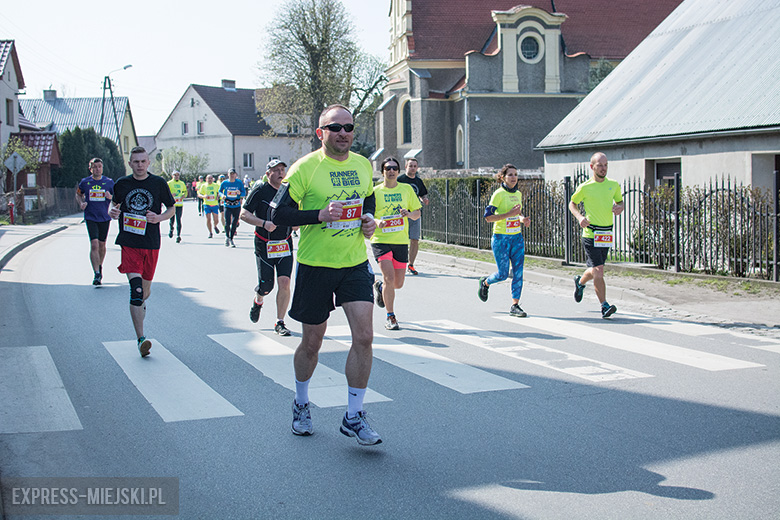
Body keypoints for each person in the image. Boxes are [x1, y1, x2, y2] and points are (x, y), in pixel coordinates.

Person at [270, 104, 381, 446]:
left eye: (349, 127)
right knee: (312, 343)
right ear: (321, 133)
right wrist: (318, 214)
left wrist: (369, 221)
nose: (344, 133)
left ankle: (353, 416)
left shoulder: (363, 165)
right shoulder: (305, 169)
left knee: (364, 337)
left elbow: (368, 200)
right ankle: (301, 402)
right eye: (336, 127)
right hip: (316, 266)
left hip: (353, 264)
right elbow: (277, 212)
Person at [108, 147, 175, 357]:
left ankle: (141, 306)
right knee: (136, 291)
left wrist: (159, 218)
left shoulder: (158, 183)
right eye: (135, 161)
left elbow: (171, 208)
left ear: (148, 163)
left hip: (151, 243)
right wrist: (112, 211)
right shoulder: (122, 184)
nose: (139, 165)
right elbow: (114, 205)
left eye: (142, 161)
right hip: (129, 243)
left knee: (145, 293)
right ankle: (141, 339)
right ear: (130, 164)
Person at [240, 159, 293, 336]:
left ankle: (280, 322)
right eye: (276, 170)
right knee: (266, 286)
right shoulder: (260, 190)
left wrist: (297, 224)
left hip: (285, 243)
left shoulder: (289, 191)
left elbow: (297, 213)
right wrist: (263, 223)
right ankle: (258, 300)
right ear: (268, 173)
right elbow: (244, 214)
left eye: (282, 170)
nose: (280, 173)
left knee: (284, 282)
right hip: (264, 243)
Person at [568, 152, 624, 319]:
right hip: (590, 233)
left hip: (606, 233)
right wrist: (579, 217)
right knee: (599, 270)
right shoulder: (585, 187)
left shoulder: (613, 185)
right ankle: (604, 306)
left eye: (606, 165)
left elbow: (619, 201)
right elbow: (572, 203)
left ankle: (580, 282)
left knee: (595, 269)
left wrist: (620, 207)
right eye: (600, 165)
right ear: (592, 167)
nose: (603, 168)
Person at [371, 156, 421, 330]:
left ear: (398, 171)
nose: (391, 171)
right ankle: (390, 317)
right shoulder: (375, 191)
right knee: (389, 278)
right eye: (387, 168)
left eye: (394, 168)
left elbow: (417, 213)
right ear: (383, 171)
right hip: (380, 240)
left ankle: (379, 287)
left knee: (397, 283)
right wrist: (378, 222)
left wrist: (408, 214)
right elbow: (369, 215)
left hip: (400, 241)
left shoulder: (406, 189)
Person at [477, 164, 531, 317]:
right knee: (502, 274)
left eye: (515, 174)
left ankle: (515, 305)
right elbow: (488, 217)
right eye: (510, 175)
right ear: (503, 177)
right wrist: (508, 214)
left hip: (517, 238)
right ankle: (485, 282)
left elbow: (515, 215)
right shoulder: (498, 194)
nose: (513, 178)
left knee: (518, 273)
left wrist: (522, 219)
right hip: (501, 238)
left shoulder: (518, 194)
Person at [76, 158, 115, 285]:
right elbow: (78, 194)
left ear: (102, 168)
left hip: (104, 217)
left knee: (102, 245)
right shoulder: (85, 182)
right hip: (91, 216)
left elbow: (118, 199)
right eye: (95, 167)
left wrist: (111, 197)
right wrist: (81, 203)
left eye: (99, 166)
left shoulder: (109, 182)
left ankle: (99, 265)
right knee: (94, 244)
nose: (97, 169)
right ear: (90, 169)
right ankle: (96, 273)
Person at [397, 157, 429, 275]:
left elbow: (422, 194)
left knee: (414, 239)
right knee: (401, 240)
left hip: (415, 213)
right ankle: (399, 263)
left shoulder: (418, 181)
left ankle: (411, 265)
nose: (413, 168)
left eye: (415, 166)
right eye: (410, 166)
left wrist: (425, 199)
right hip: (401, 214)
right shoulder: (400, 180)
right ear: (406, 167)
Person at [219, 168, 246, 247]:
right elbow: (220, 191)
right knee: (227, 222)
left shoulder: (239, 182)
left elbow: (243, 191)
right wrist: (222, 196)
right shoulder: (224, 183)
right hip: (227, 204)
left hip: (236, 205)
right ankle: (227, 237)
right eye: (230, 174)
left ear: (235, 175)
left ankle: (231, 238)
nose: (232, 175)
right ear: (228, 175)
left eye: (233, 174)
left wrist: (240, 194)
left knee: (234, 223)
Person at [167, 170, 187, 243]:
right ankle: (171, 229)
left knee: (179, 219)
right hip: (172, 205)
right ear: (172, 176)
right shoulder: (169, 183)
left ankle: (178, 235)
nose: (176, 176)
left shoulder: (182, 183)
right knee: (172, 219)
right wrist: (170, 195)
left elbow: (185, 191)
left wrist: (184, 195)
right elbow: (165, 193)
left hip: (179, 204)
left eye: (178, 175)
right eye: (175, 175)